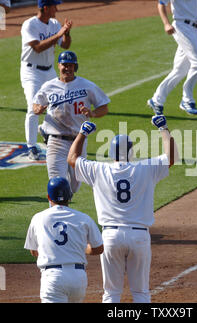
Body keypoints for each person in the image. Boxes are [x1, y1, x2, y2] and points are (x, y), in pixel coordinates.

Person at [67, 115, 179, 303]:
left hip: (110, 237)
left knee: (111, 293)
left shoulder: (99, 170)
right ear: (131, 152)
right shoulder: (145, 168)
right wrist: (163, 128)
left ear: (111, 152)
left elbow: (72, 158)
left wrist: (83, 133)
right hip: (139, 236)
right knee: (141, 292)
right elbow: (171, 157)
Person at [33, 50, 110, 194]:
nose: (67, 68)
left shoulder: (87, 86)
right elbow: (36, 104)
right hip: (56, 141)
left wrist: (92, 113)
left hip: (78, 141)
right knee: (57, 185)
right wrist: (38, 109)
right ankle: (57, 213)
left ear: (75, 67)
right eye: (65, 65)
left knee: (74, 187)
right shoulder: (49, 86)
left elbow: (104, 107)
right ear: (58, 65)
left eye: (71, 65)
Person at [24, 176, 104, 303]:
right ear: (70, 196)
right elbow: (99, 248)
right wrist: (81, 248)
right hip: (78, 278)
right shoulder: (84, 218)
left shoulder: (38, 218)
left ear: (49, 197)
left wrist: (53, 251)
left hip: (53, 278)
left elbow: (34, 251)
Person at [20, 0, 73, 160]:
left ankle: (44, 129)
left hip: (49, 70)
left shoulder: (55, 23)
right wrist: (58, 33)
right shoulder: (30, 25)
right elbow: (38, 47)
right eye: (54, 6)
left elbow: (65, 46)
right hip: (32, 72)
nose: (56, 9)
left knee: (61, 102)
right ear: (45, 7)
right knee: (33, 107)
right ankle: (31, 146)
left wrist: (66, 33)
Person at [147, 0, 197, 116]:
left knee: (180, 70)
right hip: (182, 27)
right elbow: (161, 4)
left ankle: (157, 100)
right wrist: (166, 23)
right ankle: (187, 100)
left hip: (194, 30)